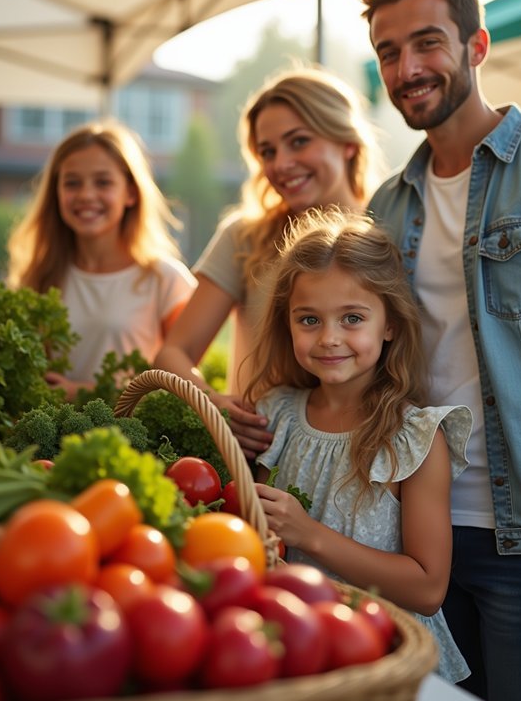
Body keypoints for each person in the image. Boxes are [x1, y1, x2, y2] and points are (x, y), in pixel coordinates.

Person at [359, 0, 521, 701]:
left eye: (427, 43)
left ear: (476, 46)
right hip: (416, 536)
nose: (407, 69)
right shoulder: (385, 206)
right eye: (388, 52)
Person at [242, 207, 472, 682]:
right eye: (309, 319)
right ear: (287, 323)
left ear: (389, 324)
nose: (329, 338)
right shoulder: (276, 413)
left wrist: (309, 534)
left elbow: (428, 588)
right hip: (294, 650)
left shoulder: (415, 438)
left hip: (385, 657)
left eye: (352, 318)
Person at [154, 66, 387, 456]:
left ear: (347, 142)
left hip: (363, 460)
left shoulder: (387, 237)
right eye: (267, 152)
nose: (280, 164)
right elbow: (172, 353)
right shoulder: (243, 238)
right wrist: (211, 402)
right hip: (257, 460)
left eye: (299, 142)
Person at [6, 119, 197, 400]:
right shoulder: (38, 276)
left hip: (136, 429)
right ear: (56, 192)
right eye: (72, 183)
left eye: (103, 182)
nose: (86, 195)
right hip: (52, 428)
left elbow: (184, 388)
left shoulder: (166, 279)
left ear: (130, 193)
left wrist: (82, 392)